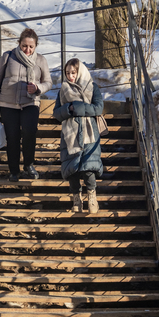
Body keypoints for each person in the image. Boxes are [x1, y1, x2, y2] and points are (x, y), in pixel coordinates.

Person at [0, 28, 52, 182]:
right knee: (12, 137)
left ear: (35, 46)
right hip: (8, 104)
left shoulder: (40, 60)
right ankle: (14, 171)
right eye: (24, 46)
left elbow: (48, 82)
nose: (27, 49)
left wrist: (37, 88)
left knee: (30, 131)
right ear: (19, 44)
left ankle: (28, 164)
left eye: (31, 47)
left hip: (31, 102)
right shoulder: (8, 56)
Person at [52, 59, 104, 213]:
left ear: (79, 71)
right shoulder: (63, 90)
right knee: (72, 169)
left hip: (89, 133)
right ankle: (77, 199)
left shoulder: (92, 87)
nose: (70, 76)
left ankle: (92, 196)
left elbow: (98, 108)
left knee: (88, 168)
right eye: (67, 73)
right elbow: (56, 112)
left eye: (73, 73)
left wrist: (78, 108)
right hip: (70, 134)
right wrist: (68, 108)